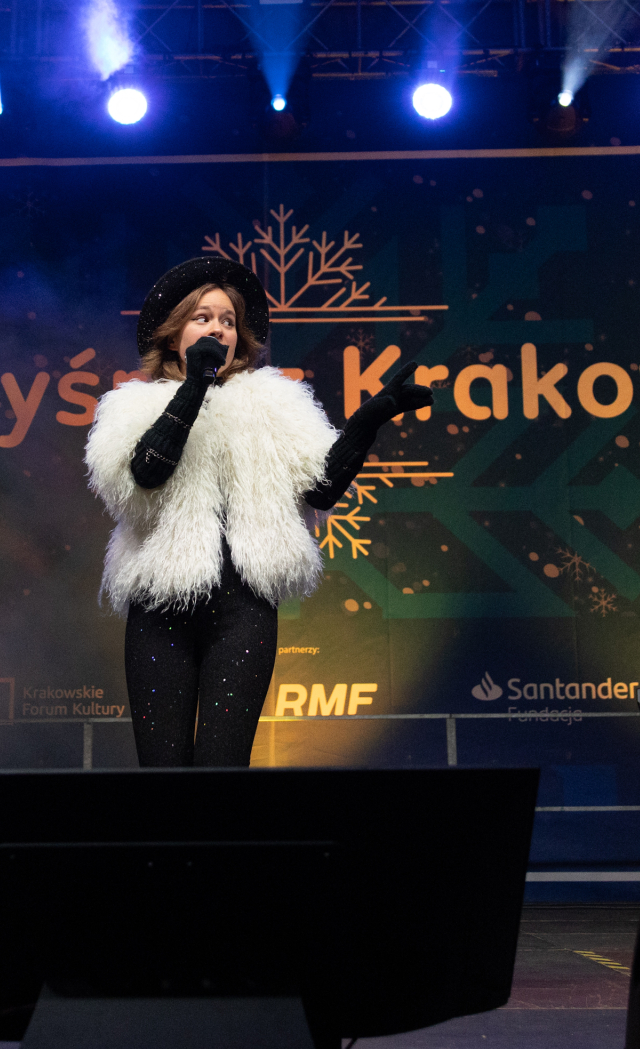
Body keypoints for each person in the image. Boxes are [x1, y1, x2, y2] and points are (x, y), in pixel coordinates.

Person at [85, 257, 432, 767]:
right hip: (159, 612)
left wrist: (368, 421)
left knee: (225, 765)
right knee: (161, 769)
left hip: (243, 612)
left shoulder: (274, 402)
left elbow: (322, 489)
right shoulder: (132, 406)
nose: (218, 329)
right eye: (203, 318)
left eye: (228, 321)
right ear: (175, 333)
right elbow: (144, 475)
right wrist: (195, 385)